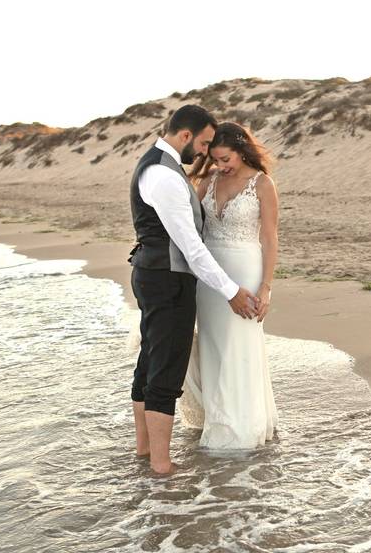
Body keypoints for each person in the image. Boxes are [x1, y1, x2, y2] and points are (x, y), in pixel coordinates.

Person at [128, 105, 258, 474]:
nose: (203, 152)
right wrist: (231, 290)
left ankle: (144, 455)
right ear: (185, 135)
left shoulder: (156, 165)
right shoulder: (165, 176)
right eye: (202, 143)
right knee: (166, 370)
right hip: (167, 278)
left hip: (153, 273)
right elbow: (190, 246)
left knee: (150, 361)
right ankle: (161, 467)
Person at [180, 121, 279, 449]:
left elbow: (269, 237)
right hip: (209, 280)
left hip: (245, 274)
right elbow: (191, 229)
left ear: (242, 150)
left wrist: (266, 287)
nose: (221, 166)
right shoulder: (206, 181)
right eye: (216, 160)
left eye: (226, 159)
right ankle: (217, 418)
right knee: (213, 346)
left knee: (239, 346)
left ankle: (241, 429)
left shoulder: (262, 184)